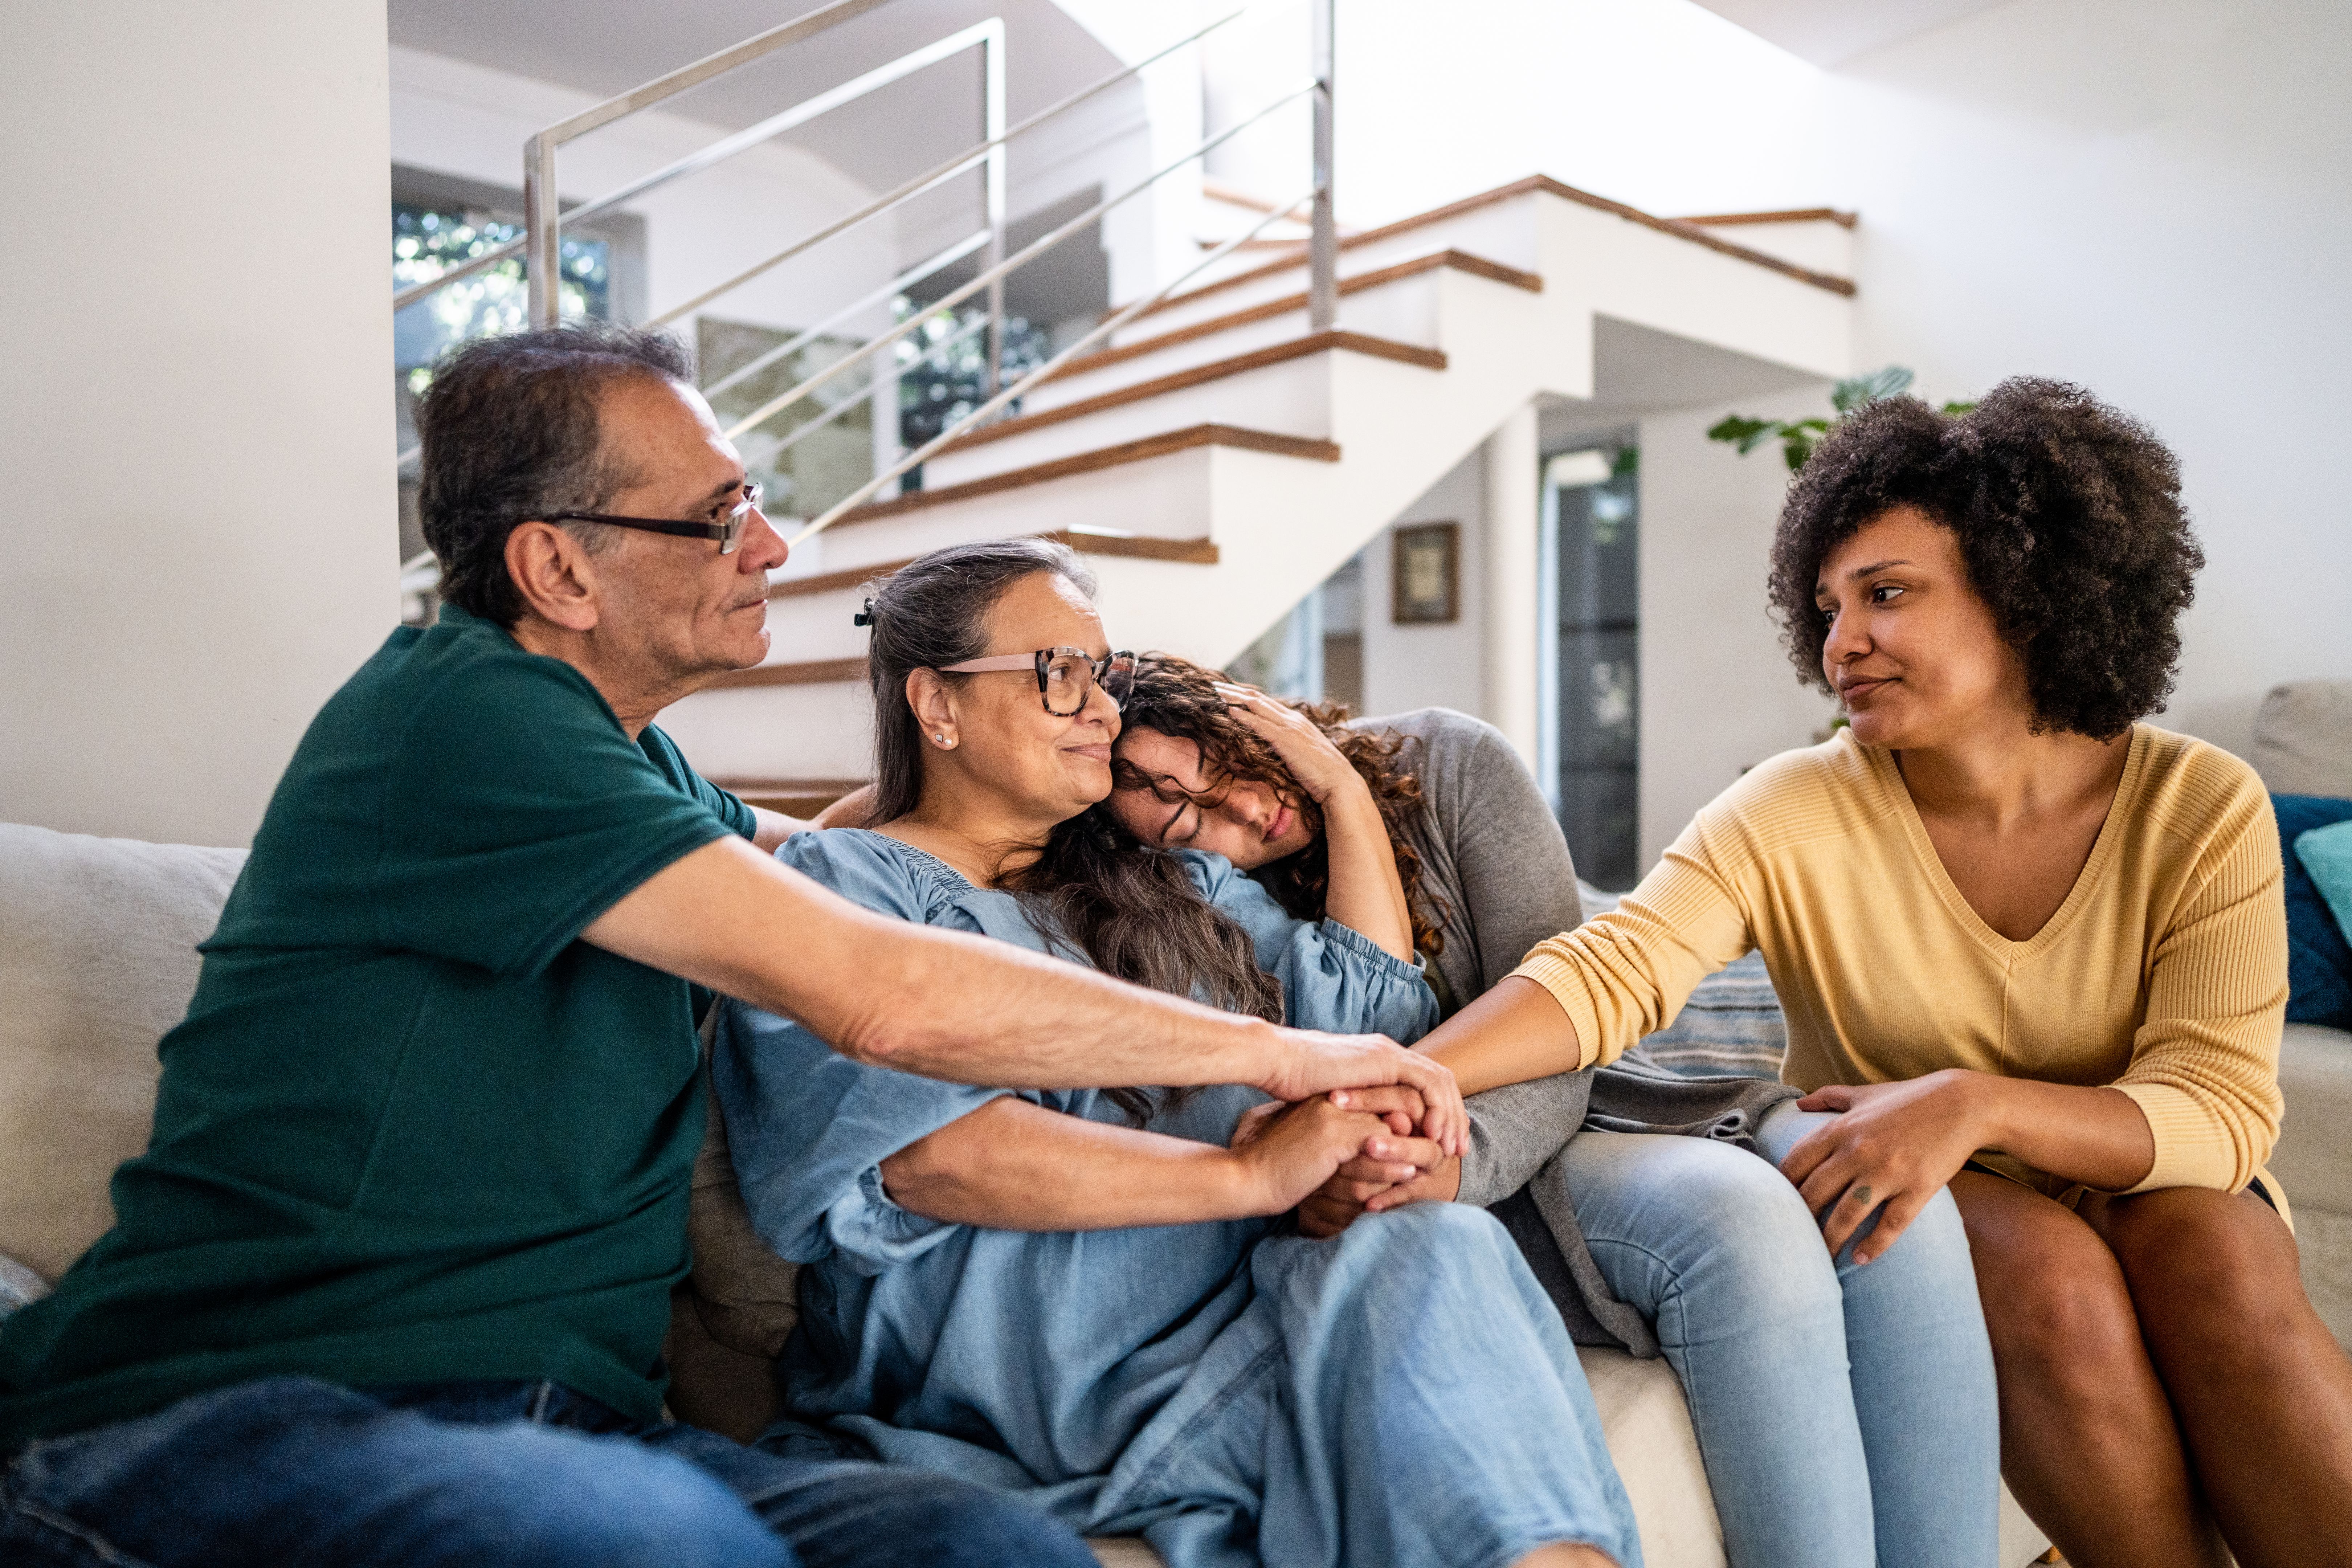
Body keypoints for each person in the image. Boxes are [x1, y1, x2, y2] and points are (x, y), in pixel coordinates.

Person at [0, 323, 1465, 1568]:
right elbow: (882, 991)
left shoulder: (634, 769)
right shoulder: (464, 724)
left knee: (988, 1549)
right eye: (717, 518)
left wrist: (1031, 770)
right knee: (652, 1541)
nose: (772, 546)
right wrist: (1283, 1062)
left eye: (753, 501)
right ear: (559, 570)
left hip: (577, 1424)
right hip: (243, 1407)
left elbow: (839, 857)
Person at [1390, 378, 2352, 1568]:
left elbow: (2222, 1111)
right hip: (1948, 1188)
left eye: (1887, 594)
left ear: (2026, 589)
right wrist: (1405, 1077)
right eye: (1829, 606)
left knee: (2219, 1256)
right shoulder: (1795, 806)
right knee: (2046, 1277)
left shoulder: (2199, 802)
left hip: (2127, 1162)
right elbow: (1617, 965)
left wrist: (1977, 1102)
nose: (1841, 643)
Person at [714, 538, 1642, 1568]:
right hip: (1033, 1388)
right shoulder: (846, 893)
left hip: (1249, 1345)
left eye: (1103, 677)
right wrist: (1246, 1176)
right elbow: (925, 1158)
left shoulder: (1174, 885)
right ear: (937, 705)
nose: (1102, 713)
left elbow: (1368, 1023)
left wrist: (1339, 795)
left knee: (1440, 1246)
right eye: (1060, 676)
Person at [1103, 660, 2000, 1568]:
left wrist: (1342, 789)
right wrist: (1436, 1166)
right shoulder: (1204, 911)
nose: (1245, 810)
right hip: (1476, 1178)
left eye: (1228, 762)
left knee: (1887, 1191)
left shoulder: (1450, 763)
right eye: (1191, 823)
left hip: (1598, 1094)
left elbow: (1570, 1019)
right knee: (1742, 1221)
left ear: (1252, 711)